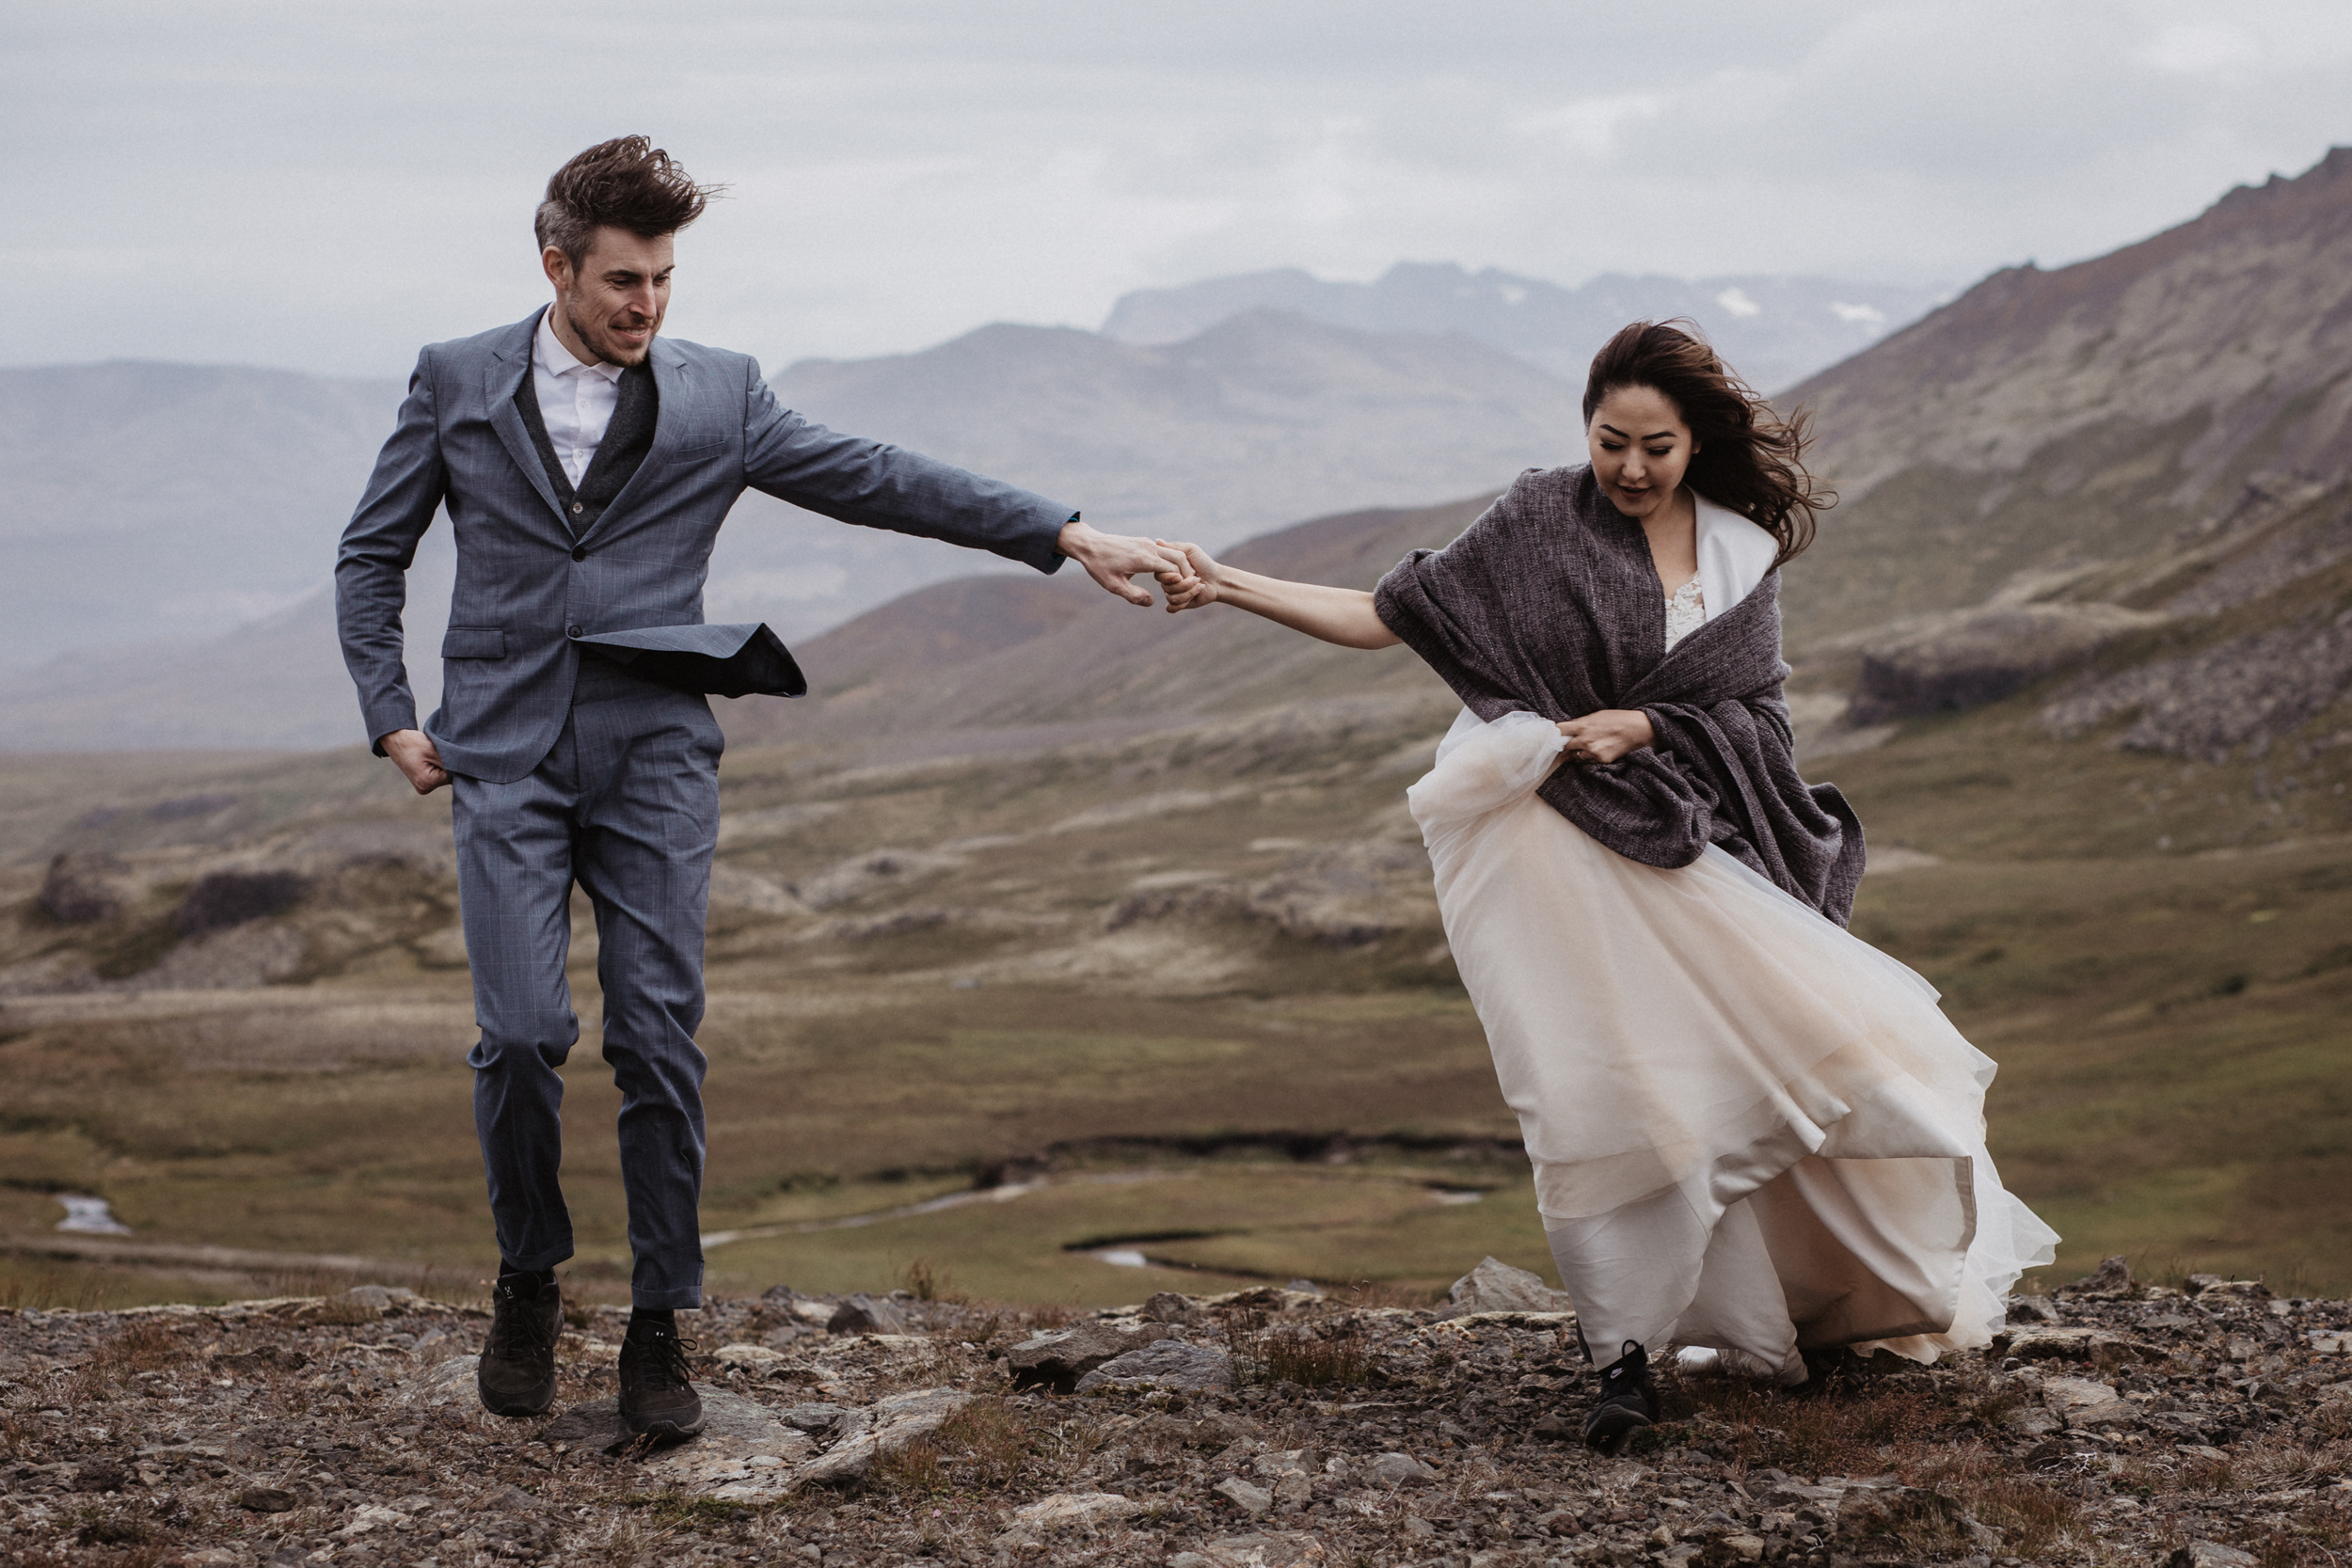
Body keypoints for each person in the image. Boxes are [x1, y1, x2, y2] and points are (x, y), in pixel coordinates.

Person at [335, 136, 1177, 1440]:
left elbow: (875, 474)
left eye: (665, 278)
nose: (648, 305)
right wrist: (390, 715)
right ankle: (529, 1275)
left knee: (657, 1036)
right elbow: (371, 551)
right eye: (623, 280)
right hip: (500, 750)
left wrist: (1063, 532)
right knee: (519, 1034)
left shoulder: (720, 392)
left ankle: (660, 1318)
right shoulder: (455, 377)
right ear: (556, 266)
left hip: (656, 753)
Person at [1156, 321, 2058, 1453]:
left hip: (1683, 847)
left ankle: (1821, 1296)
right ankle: (1619, 1359)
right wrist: (1223, 582)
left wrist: (1650, 723)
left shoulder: (1738, 551)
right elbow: (1388, 615)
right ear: (1584, 428)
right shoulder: (1537, 515)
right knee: (1591, 1094)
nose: (1629, 467)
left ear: (1697, 442)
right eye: (1609, 441)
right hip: (1544, 850)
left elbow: (1758, 716)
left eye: (1655, 447)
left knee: (1785, 1063)